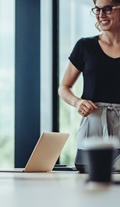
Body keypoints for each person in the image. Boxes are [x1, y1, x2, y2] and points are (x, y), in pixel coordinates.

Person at [58, 0, 120, 172]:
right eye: (97, 10)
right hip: (93, 126)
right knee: (89, 177)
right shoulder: (85, 46)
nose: (101, 15)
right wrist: (78, 102)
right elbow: (63, 87)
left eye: (107, 9)